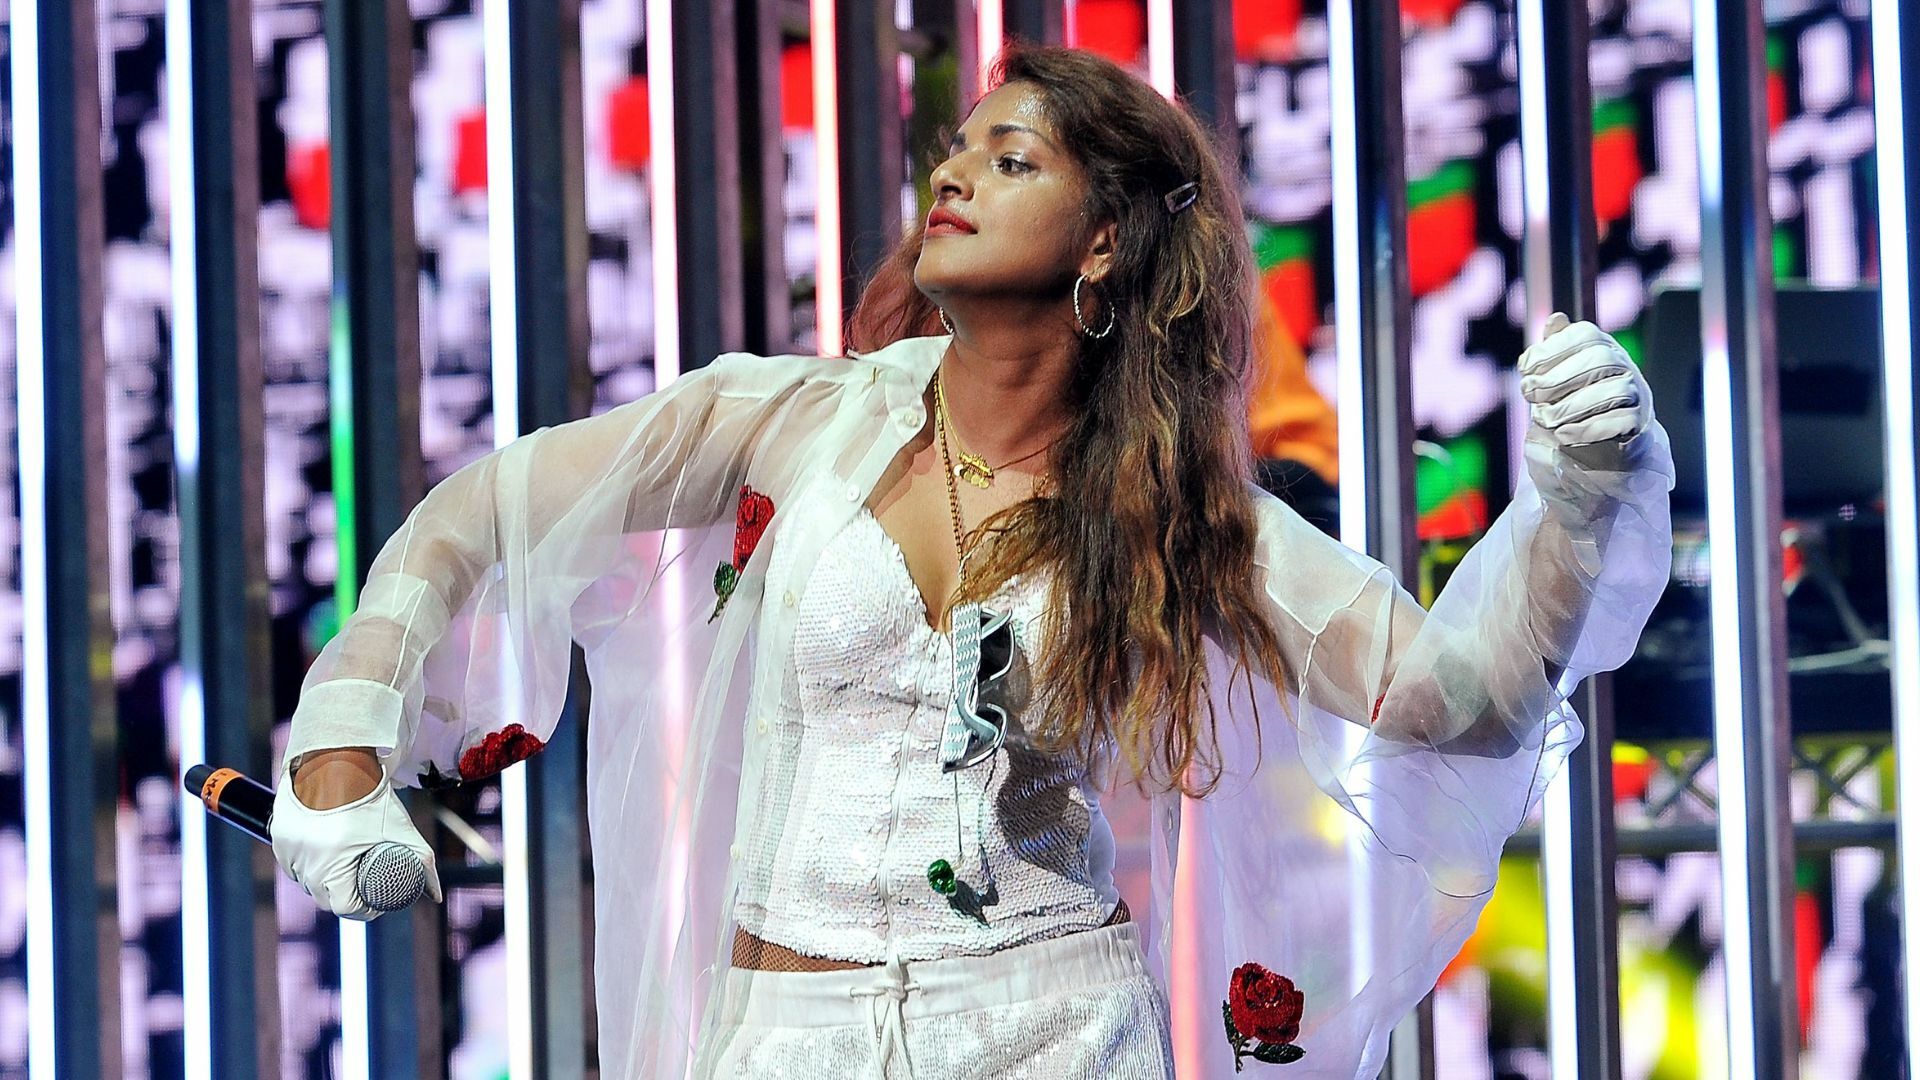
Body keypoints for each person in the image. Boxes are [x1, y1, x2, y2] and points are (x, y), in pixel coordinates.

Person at [271, 46, 1673, 1079]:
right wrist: (341, 741)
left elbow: (1449, 701)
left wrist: (1581, 509)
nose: (953, 173)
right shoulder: (795, 421)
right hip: (787, 1037)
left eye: (1015, 161)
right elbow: (480, 514)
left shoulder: (1180, 511)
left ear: (1108, 242)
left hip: (1055, 1030)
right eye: (958, 148)